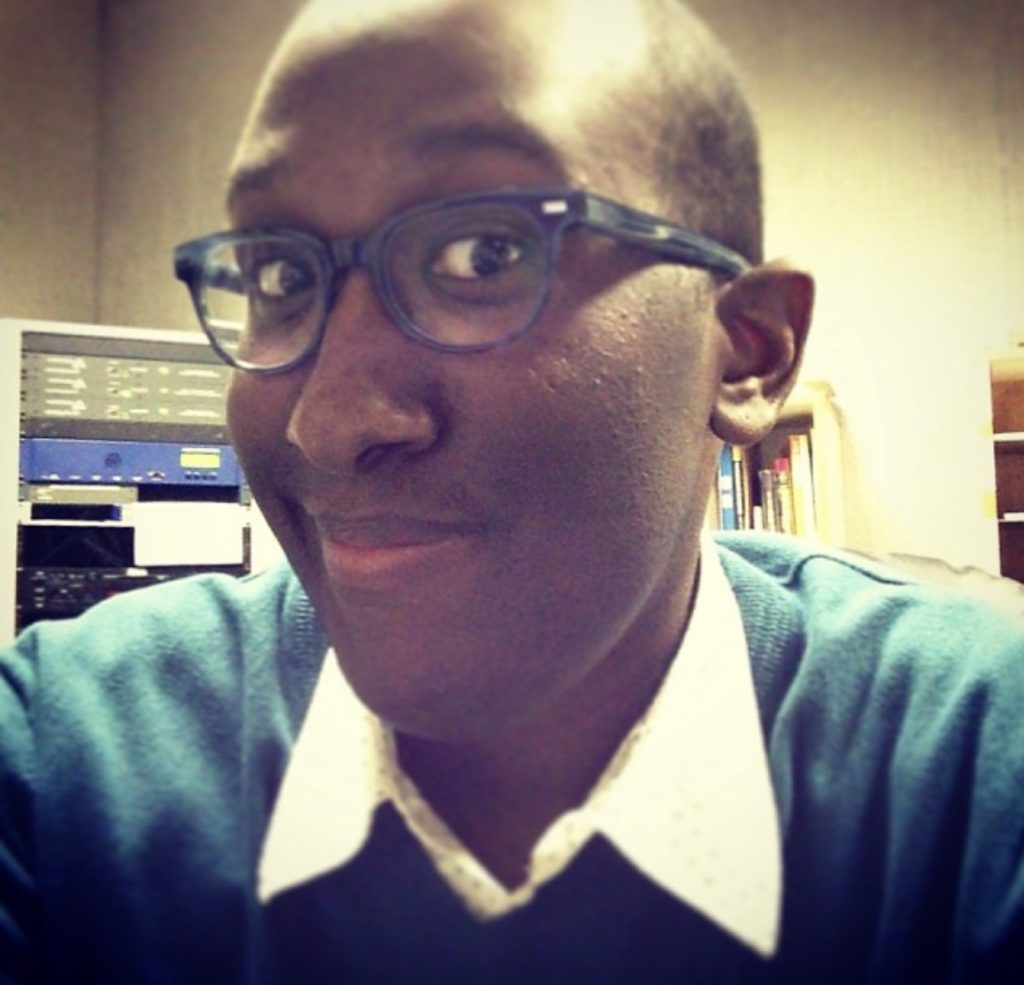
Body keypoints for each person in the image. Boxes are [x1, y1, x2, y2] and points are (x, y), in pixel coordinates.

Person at [1, 0, 1022, 981]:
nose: (331, 419)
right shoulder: (63, 761)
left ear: (747, 350)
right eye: (275, 274)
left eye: (483, 252)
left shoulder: (977, 766)